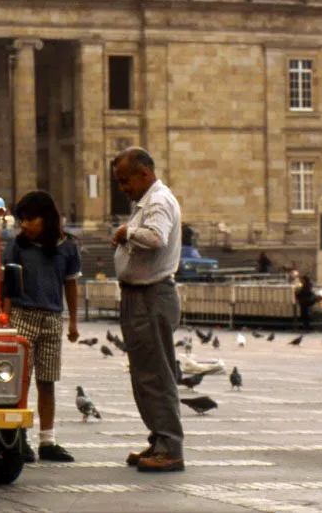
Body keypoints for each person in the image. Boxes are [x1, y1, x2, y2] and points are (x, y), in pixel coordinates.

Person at [111, 147, 185, 473]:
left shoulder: (158, 201)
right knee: (145, 375)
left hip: (151, 296)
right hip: (140, 296)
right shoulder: (146, 201)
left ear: (144, 173)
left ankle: (170, 446)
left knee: (157, 374)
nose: (122, 188)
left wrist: (127, 232)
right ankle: (159, 440)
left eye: (125, 181)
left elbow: (156, 237)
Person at [2, 190, 81, 463]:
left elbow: (70, 284)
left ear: (45, 219)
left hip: (51, 319)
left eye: (29, 218)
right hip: (22, 316)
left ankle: (47, 441)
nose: (24, 224)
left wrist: (73, 321)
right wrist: (5, 321)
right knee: (20, 382)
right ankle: (19, 438)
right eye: (21, 219)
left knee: (47, 382)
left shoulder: (67, 247)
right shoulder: (17, 247)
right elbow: (8, 288)